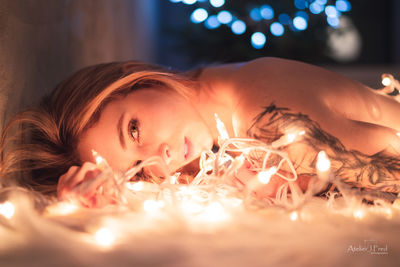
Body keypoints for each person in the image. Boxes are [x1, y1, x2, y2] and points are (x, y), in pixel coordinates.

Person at [1, 57, 400, 208]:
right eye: (137, 169)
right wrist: (79, 206)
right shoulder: (213, 127)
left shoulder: (262, 111)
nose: (162, 158)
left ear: (135, 81)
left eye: (134, 130)